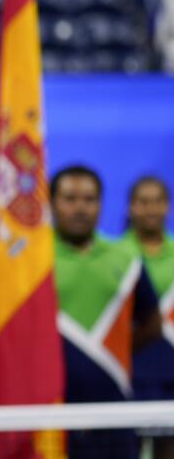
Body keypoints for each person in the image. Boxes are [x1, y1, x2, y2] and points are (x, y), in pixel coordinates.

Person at [51, 164, 162, 459]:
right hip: (48, 406)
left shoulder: (126, 257)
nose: (80, 208)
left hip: (114, 405)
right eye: (70, 199)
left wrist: (112, 353)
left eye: (89, 199)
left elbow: (152, 324)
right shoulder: (30, 261)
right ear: (52, 203)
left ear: (101, 204)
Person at [120, 175, 174, 459]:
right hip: (131, 369)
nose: (151, 208)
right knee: (130, 447)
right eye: (143, 202)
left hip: (171, 370)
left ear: (167, 206)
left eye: (157, 201)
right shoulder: (116, 255)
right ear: (130, 207)